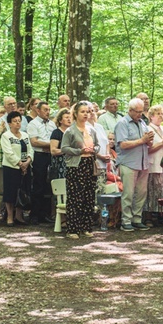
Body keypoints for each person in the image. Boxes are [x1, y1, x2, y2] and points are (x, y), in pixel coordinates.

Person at [61, 102, 108, 238]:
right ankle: (73, 229)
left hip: (89, 163)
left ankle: (86, 227)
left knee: (88, 196)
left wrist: (94, 150)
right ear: (75, 113)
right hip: (76, 165)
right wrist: (78, 151)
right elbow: (64, 148)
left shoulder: (91, 130)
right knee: (76, 197)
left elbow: (98, 145)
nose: (86, 114)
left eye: (87, 112)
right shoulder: (70, 131)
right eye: (82, 112)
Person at [114, 98, 153, 232]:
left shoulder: (142, 123)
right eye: (137, 112)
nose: (139, 115)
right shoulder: (122, 123)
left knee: (141, 193)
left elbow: (147, 142)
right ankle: (126, 220)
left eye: (141, 112)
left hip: (143, 162)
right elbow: (123, 144)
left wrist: (149, 141)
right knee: (128, 194)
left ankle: (137, 218)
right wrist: (142, 140)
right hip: (128, 163)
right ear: (130, 110)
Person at [1, 111, 34, 226]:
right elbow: (8, 152)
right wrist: (20, 163)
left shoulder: (25, 135)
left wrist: (27, 162)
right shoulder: (6, 136)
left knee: (23, 191)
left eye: (19, 121)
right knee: (10, 192)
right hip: (11, 168)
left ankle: (19, 216)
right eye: (15, 121)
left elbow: (31, 150)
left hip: (26, 167)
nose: (17, 123)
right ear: (9, 123)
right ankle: (10, 216)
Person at [28, 101, 56, 224]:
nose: (48, 112)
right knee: (38, 184)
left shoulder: (52, 125)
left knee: (48, 185)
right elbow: (34, 142)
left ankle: (45, 213)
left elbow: (55, 141)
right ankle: (34, 214)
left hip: (51, 155)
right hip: (39, 156)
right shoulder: (33, 124)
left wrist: (48, 145)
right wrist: (50, 145)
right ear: (38, 111)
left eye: (49, 110)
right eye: (45, 110)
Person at [144, 105, 163, 227]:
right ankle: (149, 215)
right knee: (152, 190)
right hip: (153, 163)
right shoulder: (148, 129)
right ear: (151, 116)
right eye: (158, 113)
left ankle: (162, 214)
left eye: (162, 113)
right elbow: (148, 149)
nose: (160, 116)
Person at [49, 108, 72, 182]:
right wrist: (66, 150)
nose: (69, 119)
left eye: (70, 117)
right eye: (66, 118)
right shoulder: (56, 132)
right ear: (60, 120)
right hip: (60, 164)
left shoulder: (73, 132)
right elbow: (53, 151)